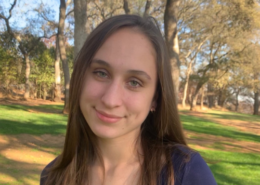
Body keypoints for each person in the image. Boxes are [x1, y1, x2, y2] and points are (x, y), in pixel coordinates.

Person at [40, 14, 217, 185]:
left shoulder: (186, 174)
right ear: (80, 77)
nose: (110, 100)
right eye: (101, 73)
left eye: (134, 82)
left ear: (155, 99)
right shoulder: (53, 176)